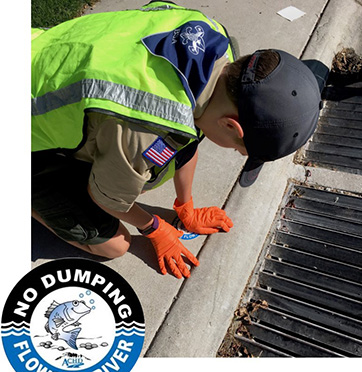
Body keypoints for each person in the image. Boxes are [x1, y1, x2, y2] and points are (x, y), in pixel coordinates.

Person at [31, 1, 322, 279]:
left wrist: (187, 208)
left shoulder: (215, 46)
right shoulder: (144, 126)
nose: (235, 152)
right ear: (231, 125)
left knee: (149, 166)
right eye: (238, 148)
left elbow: (187, 137)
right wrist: (154, 228)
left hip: (38, 47)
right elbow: (108, 198)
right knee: (115, 244)